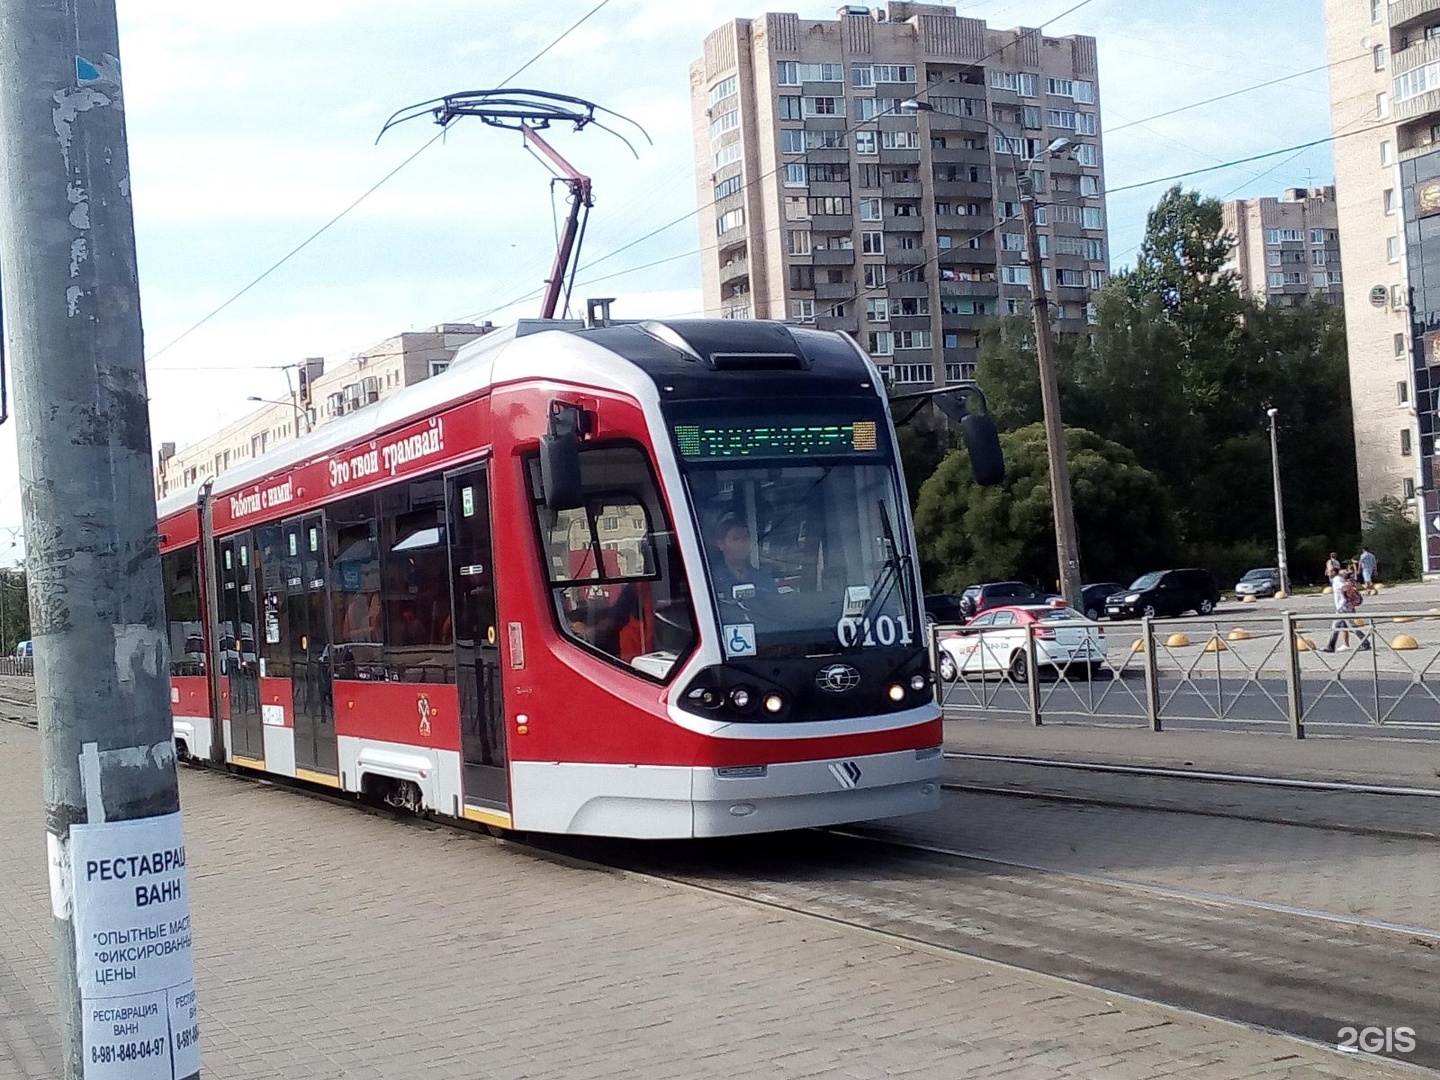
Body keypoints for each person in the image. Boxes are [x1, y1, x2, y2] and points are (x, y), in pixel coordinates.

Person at [709, 516, 777, 603]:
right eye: (735, 539)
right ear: (721, 544)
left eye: (745, 538)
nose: (742, 544)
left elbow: (776, 610)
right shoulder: (711, 579)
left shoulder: (764, 579)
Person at [1322, 568, 1370, 653]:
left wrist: (1349, 598)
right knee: (1336, 627)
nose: (1327, 572)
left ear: (1333, 572)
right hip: (1343, 607)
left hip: (1343, 607)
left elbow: (1347, 588)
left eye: (1329, 571)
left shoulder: (1337, 580)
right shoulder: (1338, 579)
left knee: (1350, 626)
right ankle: (1330, 646)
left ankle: (1365, 643)